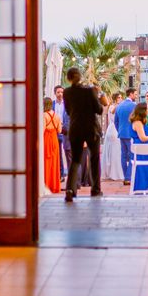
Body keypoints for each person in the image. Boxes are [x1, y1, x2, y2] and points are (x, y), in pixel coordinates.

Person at [63, 67, 104, 202]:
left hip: (75, 129)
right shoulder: (89, 91)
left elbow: (69, 111)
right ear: (80, 77)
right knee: (94, 159)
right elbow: (99, 110)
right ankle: (95, 189)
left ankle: (70, 189)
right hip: (91, 129)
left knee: (75, 160)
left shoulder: (67, 93)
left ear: (68, 79)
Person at [114, 87, 137, 186]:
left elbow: (116, 121)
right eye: (135, 94)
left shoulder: (119, 106)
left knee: (123, 156)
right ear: (131, 94)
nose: (136, 96)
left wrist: (119, 130)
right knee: (132, 156)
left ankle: (125, 176)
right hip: (130, 134)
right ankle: (128, 178)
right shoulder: (134, 105)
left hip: (121, 133)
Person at [101, 92, 124, 180]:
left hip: (117, 128)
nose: (120, 99)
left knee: (117, 152)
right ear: (115, 98)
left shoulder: (120, 106)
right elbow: (113, 112)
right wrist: (119, 104)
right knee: (114, 151)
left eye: (121, 97)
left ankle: (117, 172)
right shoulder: (112, 106)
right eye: (118, 97)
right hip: (113, 130)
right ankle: (112, 173)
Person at [42, 97, 61, 194]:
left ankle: (46, 185)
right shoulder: (56, 115)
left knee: (46, 163)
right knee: (54, 164)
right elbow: (59, 131)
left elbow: (43, 129)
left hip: (46, 140)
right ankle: (54, 186)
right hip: (54, 140)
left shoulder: (44, 115)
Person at [52, 85, 68, 180]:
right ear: (55, 93)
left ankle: (64, 174)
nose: (60, 94)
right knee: (57, 154)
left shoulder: (67, 104)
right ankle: (60, 174)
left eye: (62, 92)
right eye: (58, 92)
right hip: (54, 132)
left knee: (67, 153)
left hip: (65, 131)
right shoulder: (52, 104)